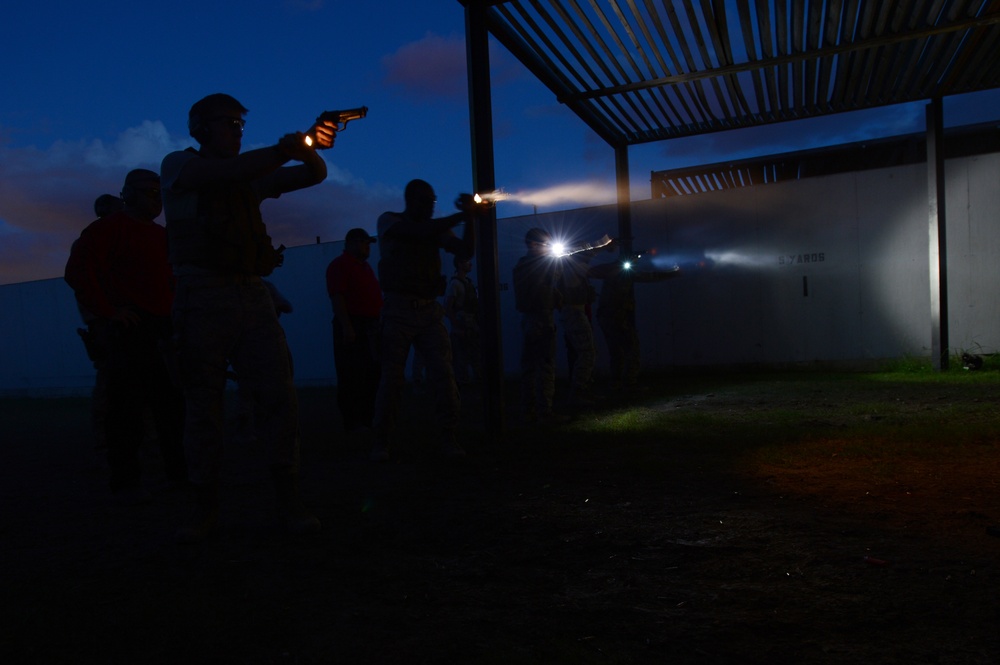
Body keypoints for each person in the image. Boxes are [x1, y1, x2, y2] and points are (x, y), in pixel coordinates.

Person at [160, 92, 335, 541]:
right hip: (201, 294)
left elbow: (313, 176)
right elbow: (222, 173)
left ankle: (288, 496)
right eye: (227, 124)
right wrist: (286, 150)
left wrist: (309, 149)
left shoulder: (250, 176)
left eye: (240, 125)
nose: (236, 132)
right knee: (203, 406)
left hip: (250, 294)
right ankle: (204, 506)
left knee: (279, 396)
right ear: (200, 129)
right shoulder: (180, 165)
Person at [64, 170, 187, 504]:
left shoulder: (161, 235)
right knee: (126, 409)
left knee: (170, 406)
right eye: (147, 192)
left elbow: (172, 278)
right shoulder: (107, 230)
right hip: (130, 329)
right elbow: (77, 272)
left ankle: (177, 473)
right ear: (128, 194)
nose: (154, 199)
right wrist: (109, 312)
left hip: (161, 327)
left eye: (157, 193)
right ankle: (126, 480)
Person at [370, 179, 477, 461]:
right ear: (411, 200)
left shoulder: (433, 228)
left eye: (432, 201)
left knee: (444, 376)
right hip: (398, 311)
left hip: (428, 312)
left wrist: (471, 221)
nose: (430, 207)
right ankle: (381, 442)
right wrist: (463, 215)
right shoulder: (390, 221)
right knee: (392, 381)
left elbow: (465, 252)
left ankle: (448, 436)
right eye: (426, 201)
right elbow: (416, 233)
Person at [75, 193, 126, 450]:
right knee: (111, 386)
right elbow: (83, 284)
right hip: (110, 328)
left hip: (115, 324)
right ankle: (108, 443)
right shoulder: (95, 241)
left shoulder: (114, 239)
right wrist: (107, 314)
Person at [591, 249, 681, 391]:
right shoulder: (622, 272)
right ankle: (629, 383)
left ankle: (617, 383)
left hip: (608, 316)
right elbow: (649, 276)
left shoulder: (613, 271)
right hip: (617, 317)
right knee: (630, 349)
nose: (636, 261)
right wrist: (673, 273)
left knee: (616, 351)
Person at [325, 227, 382, 434]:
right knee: (352, 375)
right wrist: (347, 326)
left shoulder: (364, 267)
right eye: (364, 243)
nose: (367, 247)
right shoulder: (340, 266)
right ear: (352, 243)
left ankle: (367, 418)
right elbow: (337, 297)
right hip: (353, 326)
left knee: (370, 373)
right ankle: (353, 421)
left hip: (369, 327)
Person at [512, 227, 563, 423]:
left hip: (532, 318)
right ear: (533, 245)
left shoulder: (525, 264)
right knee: (545, 366)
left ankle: (530, 410)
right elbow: (546, 285)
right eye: (546, 244)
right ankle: (544, 411)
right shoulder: (536, 265)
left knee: (531, 367)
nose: (549, 247)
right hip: (540, 318)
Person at [556, 234, 612, 407]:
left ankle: (581, 391)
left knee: (586, 352)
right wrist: (605, 247)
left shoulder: (571, 265)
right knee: (587, 352)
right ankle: (579, 392)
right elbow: (593, 267)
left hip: (574, 312)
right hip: (574, 312)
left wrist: (603, 245)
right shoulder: (573, 266)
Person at [445, 254, 481, 385]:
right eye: (467, 261)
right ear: (459, 264)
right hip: (462, 329)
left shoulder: (467, 283)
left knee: (475, 357)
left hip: (471, 327)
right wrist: (457, 327)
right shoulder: (455, 284)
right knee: (462, 361)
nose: (470, 264)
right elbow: (448, 308)